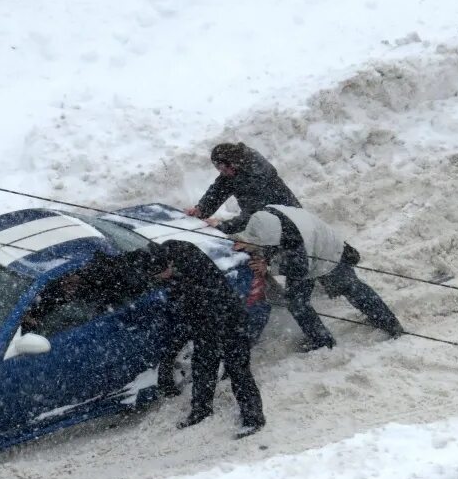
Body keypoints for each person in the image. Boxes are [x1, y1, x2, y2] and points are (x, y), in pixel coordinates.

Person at [231, 206, 404, 352]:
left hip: (327, 252)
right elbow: (262, 238)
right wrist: (245, 240)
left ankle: (388, 323)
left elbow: (299, 269)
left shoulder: (295, 241)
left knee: (349, 287)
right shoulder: (266, 218)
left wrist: (269, 266)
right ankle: (321, 340)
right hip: (309, 248)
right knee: (295, 301)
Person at [146, 241, 265, 437]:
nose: (161, 280)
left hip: (229, 320)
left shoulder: (191, 268)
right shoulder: (173, 255)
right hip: (204, 323)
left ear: (168, 264)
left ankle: (253, 418)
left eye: (160, 275)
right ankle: (201, 410)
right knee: (203, 367)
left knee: (238, 370)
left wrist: (199, 321)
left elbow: (198, 298)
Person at [186, 142, 301, 234]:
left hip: (289, 225)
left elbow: (254, 214)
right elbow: (219, 188)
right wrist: (201, 209)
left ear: (233, 164)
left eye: (224, 170)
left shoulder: (256, 176)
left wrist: (223, 226)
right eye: (220, 171)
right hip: (269, 224)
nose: (223, 173)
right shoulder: (237, 168)